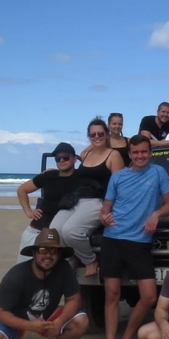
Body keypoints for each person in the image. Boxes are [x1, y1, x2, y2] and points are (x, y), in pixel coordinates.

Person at [96, 135, 169, 339]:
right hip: (113, 240)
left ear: (149, 152)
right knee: (111, 295)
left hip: (140, 242)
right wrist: (104, 217)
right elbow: (105, 209)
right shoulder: (118, 177)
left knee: (149, 296)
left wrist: (156, 214)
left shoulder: (158, 173)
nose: (140, 156)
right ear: (129, 154)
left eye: (144, 152)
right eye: (135, 152)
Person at [0, 228, 89, 339]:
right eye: (43, 250)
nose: (48, 256)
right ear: (34, 253)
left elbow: (74, 299)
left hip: (47, 321)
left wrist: (59, 322)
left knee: (81, 321)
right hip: (16, 324)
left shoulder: (64, 269)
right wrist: (30, 325)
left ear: (59, 255)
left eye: (53, 251)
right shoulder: (16, 276)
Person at [51, 117, 124, 278]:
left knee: (71, 232)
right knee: (54, 231)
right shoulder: (86, 154)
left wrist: (109, 209)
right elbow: (73, 173)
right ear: (89, 136)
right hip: (77, 199)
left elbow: (119, 186)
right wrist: (50, 172)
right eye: (92, 134)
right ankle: (72, 258)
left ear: (106, 134)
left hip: (98, 200)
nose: (96, 136)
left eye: (100, 133)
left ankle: (90, 261)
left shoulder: (113, 155)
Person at [15, 142, 80, 263]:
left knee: (62, 269)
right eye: (57, 158)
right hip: (39, 227)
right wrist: (28, 211)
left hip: (63, 231)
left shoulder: (81, 177)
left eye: (66, 157)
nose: (61, 160)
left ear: (75, 159)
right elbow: (22, 190)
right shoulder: (48, 176)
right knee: (24, 265)